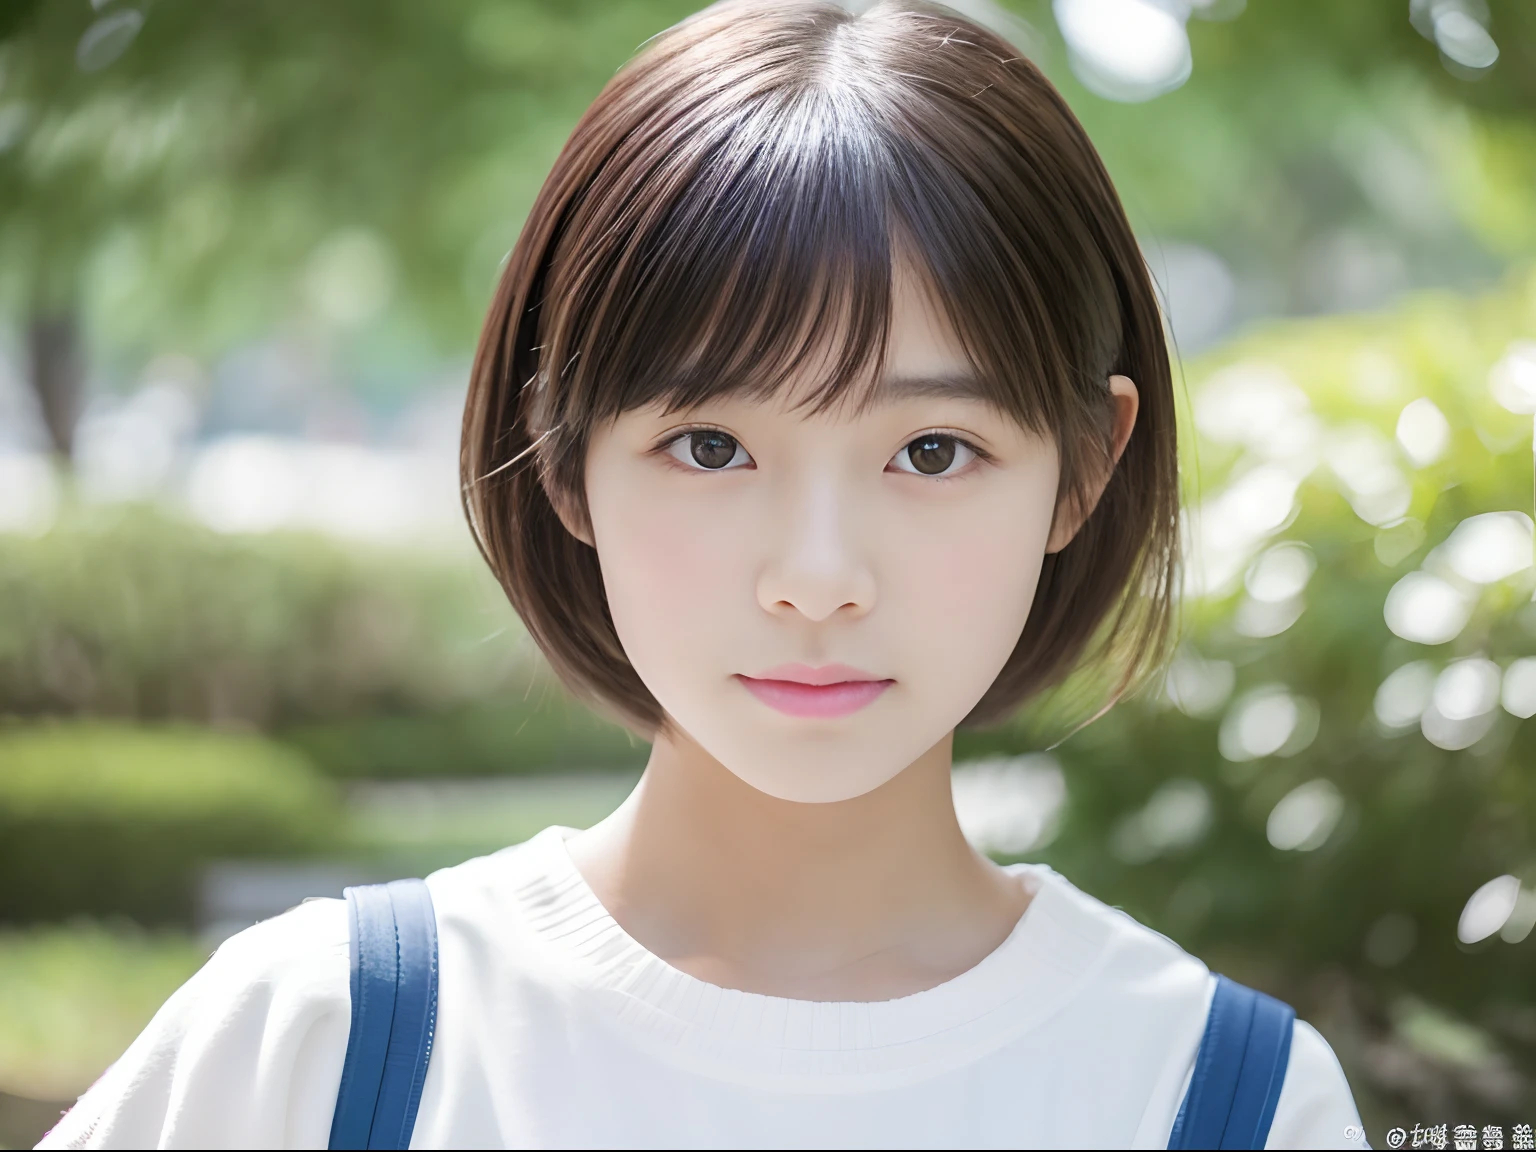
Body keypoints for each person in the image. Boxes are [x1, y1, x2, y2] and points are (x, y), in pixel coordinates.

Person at [41, 1, 1369, 1147]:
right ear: (556, 455)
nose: (817, 577)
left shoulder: (1219, 1102)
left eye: (930, 449)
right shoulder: (324, 1049)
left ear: (1084, 468)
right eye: (712, 444)